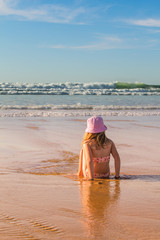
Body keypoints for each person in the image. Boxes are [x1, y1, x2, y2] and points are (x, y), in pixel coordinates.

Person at [78, 116, 120, 180]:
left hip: (92, 174)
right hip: (106, 174)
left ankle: (80, 172)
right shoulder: (110, 142)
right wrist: (117, 175)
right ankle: (81, 173)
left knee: (83, 150)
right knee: (85, 150)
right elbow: (117, 157)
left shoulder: (88, 144)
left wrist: (91, 178)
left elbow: (89, 160)